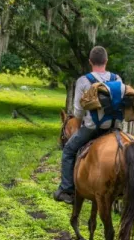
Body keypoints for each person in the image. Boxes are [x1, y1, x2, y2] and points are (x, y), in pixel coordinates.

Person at [53, 46, 123, 204]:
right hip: (114, 128)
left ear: (90, 61)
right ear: (106, 61)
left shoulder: (84, 81)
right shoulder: (117, 79)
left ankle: (67, 189)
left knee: (69, 151)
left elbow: (78, 112)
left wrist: (79, 125)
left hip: (92, 129)